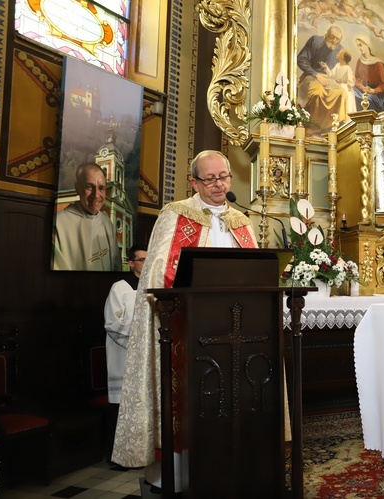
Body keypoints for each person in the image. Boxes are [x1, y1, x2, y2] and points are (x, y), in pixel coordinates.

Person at [111, 150, 258, 488]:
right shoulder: (176, 216)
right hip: (187, 331)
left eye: (223, 177)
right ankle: (178, 480)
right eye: (210, 178)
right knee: (188, 404)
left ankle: (233, 468)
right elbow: (158, 274)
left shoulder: (242, 221)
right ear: (194, 182)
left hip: (237, 329)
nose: (219, 184)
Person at [102, 244, 147, 463]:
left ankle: (140, 453)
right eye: (141, 260)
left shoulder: (155, 286)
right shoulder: (120, 288)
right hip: (125, 353)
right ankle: (118, 456)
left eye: (149, 260)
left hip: (148, 355)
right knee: (122, 406)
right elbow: (111, 322)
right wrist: (137, 339)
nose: (146, 264)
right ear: (130, 263)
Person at [53, 162, 121, 271]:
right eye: (89, 187)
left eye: (101, 188)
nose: (96, 195)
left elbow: (117, 266)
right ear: (77, 188)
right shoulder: (58, 224)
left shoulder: (107, 222)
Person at [297, 25, 349, 133]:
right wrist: (316, 75)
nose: (334, 41)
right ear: (326, 35)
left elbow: (341, 70)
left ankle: (334, 127)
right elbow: (301, 60)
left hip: (330, 80)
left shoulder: (340, 49)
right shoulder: (315, 41)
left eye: (337, 39)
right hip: (312, 76)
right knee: (317, 94)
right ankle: (312, 126)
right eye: (332, 37)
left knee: (342, 94)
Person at [353, 35, 384, 112]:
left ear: (367, 45)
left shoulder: (378, 63)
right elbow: (357, 79)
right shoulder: (360, 61)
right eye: (358, 46)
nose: (359, 48)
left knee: (368, 99)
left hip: (376, 94)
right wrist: (362, 88)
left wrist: (373, 91)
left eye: (360, 45)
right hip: (362, 90)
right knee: (351, 92)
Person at [319, 48, 356, 113]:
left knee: (346, 101)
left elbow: (351, 80)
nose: (337, 54)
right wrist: (326, 67)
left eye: (339, 53)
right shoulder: (337, 65)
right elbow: (331, 75)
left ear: (343, 57)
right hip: (336, 85)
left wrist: (349, 84)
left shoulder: (347, 68)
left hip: (345, 87)